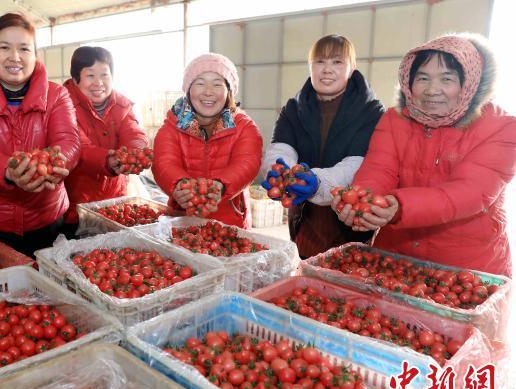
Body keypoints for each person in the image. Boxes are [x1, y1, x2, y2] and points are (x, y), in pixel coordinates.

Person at [333, 34, 516, 277]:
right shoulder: (395, 119)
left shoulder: (500, 127)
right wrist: (362, 204)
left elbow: (469, 193)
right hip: (396, 258)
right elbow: (379, 169)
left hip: (467, 268)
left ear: (469, 82)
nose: (432, 90)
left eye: (447, 79)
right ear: (409, 81)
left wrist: (400, 206)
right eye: (422, 78)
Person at [0, 13, 80, 257]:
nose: (15, 57)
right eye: (4, 48)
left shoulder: (57, 95)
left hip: (46, 218)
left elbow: (69, 141)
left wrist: (55, 164)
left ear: (35, 55)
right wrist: (9, 171)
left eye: (24, 49)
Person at [261, 35, 384, 258]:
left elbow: (359, 164)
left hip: (350, 219)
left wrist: (318, 182)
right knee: (306, 276)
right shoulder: (293, 108)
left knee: (347, 277)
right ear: (310, 66)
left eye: (337, 62)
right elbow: (281, 147)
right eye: (320, 61)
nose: (327, 69)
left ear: (352, 67)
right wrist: (282, 174)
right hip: (304, 219)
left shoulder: (371, 112)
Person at [152, 53, 263, 228]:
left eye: (217, 84)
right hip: (183, 219)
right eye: (200, 83)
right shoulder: (172, 125)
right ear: (188, 89)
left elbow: (247, 163)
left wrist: (221, 185)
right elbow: (163, 163)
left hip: (230, 223)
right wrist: (178, 186)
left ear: (229, 92)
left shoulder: (244, 127)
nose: (208, 92)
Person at [61, 46, 149, 237]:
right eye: (90, 75)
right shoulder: (63, 105)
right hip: (76, 204)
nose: (98, 82)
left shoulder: (122, 105)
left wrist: (135, 153)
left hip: (115, 202)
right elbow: (77, 147)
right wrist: (108, 160)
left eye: (105, 75)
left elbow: (134, 134)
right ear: (76, 78)